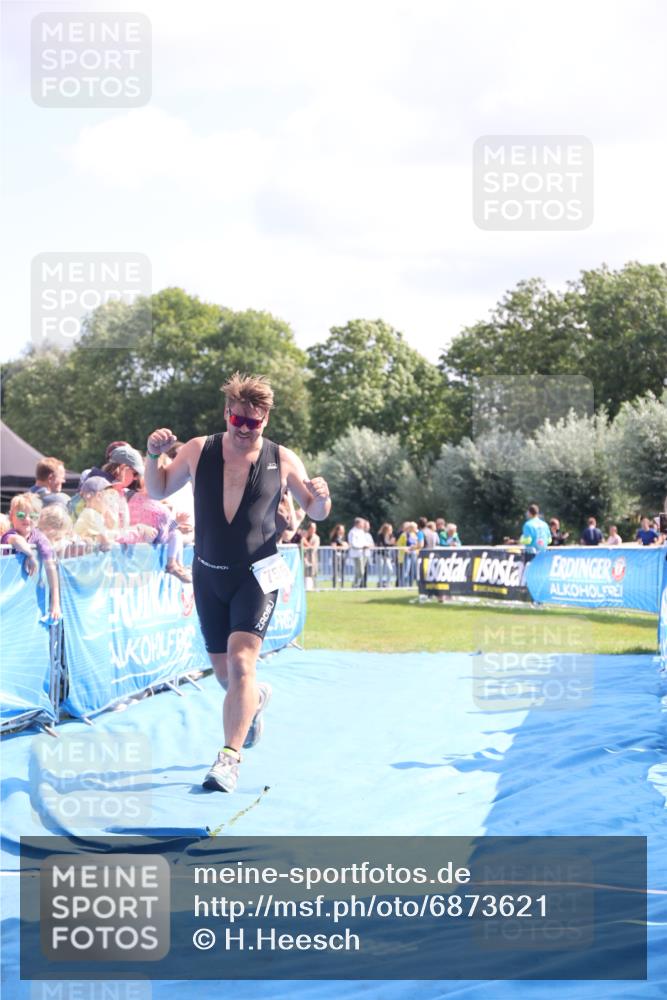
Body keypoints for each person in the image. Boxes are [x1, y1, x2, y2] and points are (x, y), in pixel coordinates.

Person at [144, 372, 330, 793]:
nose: (245, 430)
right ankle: (255, 700)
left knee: (243, 662)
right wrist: (153, 455)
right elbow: (158, 489)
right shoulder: (198, 449)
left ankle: (228, 758)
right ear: (227, 414)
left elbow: (315, 511)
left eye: (254, 423)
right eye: (238, 420)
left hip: (256, 575)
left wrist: (321, 496)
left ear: (265, 421)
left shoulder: (283, 458)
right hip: (208, 573)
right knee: (227, 676)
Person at [1, 494, 61, 621]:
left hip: (24, 601)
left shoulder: (38, 537)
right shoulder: (9, 534)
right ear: (11, 517)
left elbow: (50, 566)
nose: (27, 519)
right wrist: (30, 554)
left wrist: (55, 603)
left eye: (32, 516)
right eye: (21, 515)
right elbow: (16, 540)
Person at [347, 517, 368, 588]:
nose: (363, 525)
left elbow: (364, 542)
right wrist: (362, 546)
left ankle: (356, 585)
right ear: (358, 524)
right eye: (362, 523)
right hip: (356, 554)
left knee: (359, 571)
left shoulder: (361, 532)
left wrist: (366, 545)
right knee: (360, 571)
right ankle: (355, 584)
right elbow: (353, 544)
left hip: (363, 553)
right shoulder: (352, 532)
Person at [301, 521, 320, 590]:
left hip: (312, 559)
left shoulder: (316, 538)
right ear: (308, 528)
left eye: (315, 528)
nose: (314, 529)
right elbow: (300, 546)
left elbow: (314, 548)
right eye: (312, 528)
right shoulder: (303, 536)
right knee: (303, 574)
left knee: (311, 574)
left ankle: (311, 588)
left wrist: (305, 543)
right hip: (302, 559)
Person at [376, 522, 396, 587]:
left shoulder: (391, 536)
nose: (391, 530)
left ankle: (387, 583)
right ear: (386, 530)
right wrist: (389, 543)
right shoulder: (380, 535)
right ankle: (380, 583)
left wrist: (390, 543)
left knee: (390, 569)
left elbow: (393, 545)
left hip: (387, 555)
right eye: (390, 529)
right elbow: (380, 545)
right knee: (380, 570)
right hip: (380, 554)